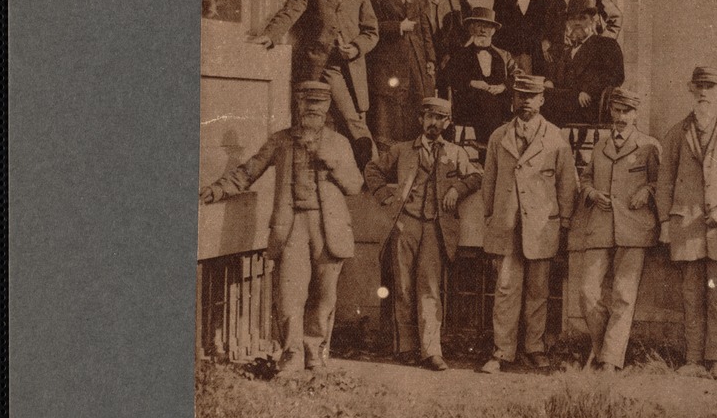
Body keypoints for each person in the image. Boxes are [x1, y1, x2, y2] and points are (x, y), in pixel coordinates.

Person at [199, 82, 363, 375]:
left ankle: (314, 353)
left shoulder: (339, 143)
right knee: (290, 293)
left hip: (329, 228)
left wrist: (332, 163)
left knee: (324, 295)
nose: (312, 110)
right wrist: (216, 190)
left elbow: (354, 185)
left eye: (319, 104)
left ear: (327, 108)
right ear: (297, 105)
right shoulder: (281, 141)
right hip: (292, 227)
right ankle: (291, 354)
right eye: (306, 103)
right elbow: (248, 172)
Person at [365, 97, 483, 371]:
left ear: (448, 123)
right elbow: (372, 170)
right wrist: (385, 197)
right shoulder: (402, 150)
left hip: (435, 227)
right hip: (406, 224)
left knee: (430, 288)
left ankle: (431, 351)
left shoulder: (455, 152)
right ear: (420, 119)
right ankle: (405, 347)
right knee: (403, 287)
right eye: (429, 117)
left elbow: (476, 176)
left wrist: (457, 189)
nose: (434, 123)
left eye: (440, 118)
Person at [655, 67, 717, 381]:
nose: (704, 93)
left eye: (710, 87)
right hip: (687, 228)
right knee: (690, 295)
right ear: (690, 90)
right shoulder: (676, 134)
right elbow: (664, 182)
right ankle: (693, 359)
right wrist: (663, 222)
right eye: (699, 87)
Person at [251, 0, 379, 168]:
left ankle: (374, 173)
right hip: (319, 66)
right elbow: (289, 13)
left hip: (352, 69)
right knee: (322, 123)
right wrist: (270, 35)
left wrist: (355, 48)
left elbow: (371, 32)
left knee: (353, 122)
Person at [478, 74, 578, 374]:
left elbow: (567, 184)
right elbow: (489, 183)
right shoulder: (499, 137)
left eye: (531, 96)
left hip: (541, 226)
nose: (525, 102)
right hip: (507, 225)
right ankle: (502, 351)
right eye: (520, 95)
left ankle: (534, 348)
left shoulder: (557, 138)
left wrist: (564, 223)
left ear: (542, 100)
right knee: (506, 289)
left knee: (538, 291)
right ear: (513, 99)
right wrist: (493, 217)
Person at [568, 87, 660, 372]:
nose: (621, 117)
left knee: (623, 294)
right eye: (617, 111)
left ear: (636, 114)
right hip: (600, 227)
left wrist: (647, 190)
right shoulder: (599, 147)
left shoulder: (649, 146)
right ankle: (603, 348)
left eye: (627, 112)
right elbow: (584, 180)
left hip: (634, 227)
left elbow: (662, 183)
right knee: (586, 291)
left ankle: (609, 360)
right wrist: (592, 193)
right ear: (611, 112)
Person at [367, 0, 437, 152]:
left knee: (416, 108)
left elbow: (424, 28)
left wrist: (430, 58)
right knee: (391, 112)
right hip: (389, 62)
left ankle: (414, 156)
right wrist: (397, 26)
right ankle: (390, 159)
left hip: (415, 61)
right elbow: (370, 27)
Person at [542, 0, 625, 127]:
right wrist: (550, 81)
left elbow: (616, 76)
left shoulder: (606, 44)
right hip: (564, 101)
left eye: (582, 18)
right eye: (572, 19)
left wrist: (589, 90)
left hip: (588, 104)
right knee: (538, 95)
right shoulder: (567, 50)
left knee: (541, 101)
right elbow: (558, 75)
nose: (577, 23)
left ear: (594, 21)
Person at [446, 7, 515, 146]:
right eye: (479, 26)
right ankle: (489, 149)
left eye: (487, 27)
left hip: (501, 104)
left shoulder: (504, 55)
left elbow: (517, 76)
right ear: (472, 29)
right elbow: (447, 76)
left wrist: (503, 87)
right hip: (468, 104)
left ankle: (497, 149)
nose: (483, 30)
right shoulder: (460, 54)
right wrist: (471, 83)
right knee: (486, 100)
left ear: (493, 31)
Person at [410, 0, 472, 96]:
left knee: (448, 95)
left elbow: (468, 20)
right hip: (423, 51)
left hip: (449, 55)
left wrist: (458, 46)